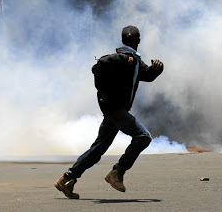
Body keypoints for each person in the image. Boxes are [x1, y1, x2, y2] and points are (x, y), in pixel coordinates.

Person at [54, 25, 164, 199]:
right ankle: (117, 172)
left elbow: (146, 75)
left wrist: (157, 70)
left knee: (98, 149)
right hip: (116, 110)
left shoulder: (133, 60)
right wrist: (103, 94)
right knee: (143, 137)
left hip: (114, 111)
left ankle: (67, 179)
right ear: (138, 41)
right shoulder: (122, 59)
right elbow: (98, 67)